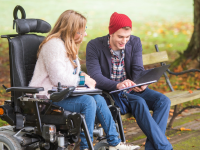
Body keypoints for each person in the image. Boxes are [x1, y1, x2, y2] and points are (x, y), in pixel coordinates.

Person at [29, 10, 140, 150]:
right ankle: (85, 147)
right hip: (47, 97)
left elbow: (71, 72)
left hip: (63, 93)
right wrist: (83, 80)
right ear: (71, 30)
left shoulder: (66, 44)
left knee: (98, 98)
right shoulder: (54, 45)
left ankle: (115, 143)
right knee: (88, 102)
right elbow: (58, 78)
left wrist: (84, 76)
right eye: (81, 31)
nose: (85, 34)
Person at [86, 12, 173, 150]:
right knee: (139, 102)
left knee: (163, 101)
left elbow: (137, 69)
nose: (124, 41)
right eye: (120, 36)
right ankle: (165, 148)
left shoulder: (134, 41)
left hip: (132, 88)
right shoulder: (94, 46)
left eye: (127, 37)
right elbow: (95, 76)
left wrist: (142, 82)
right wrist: (117, 84)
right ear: (111, 33)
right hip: (112, 92)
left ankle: (152, 147)